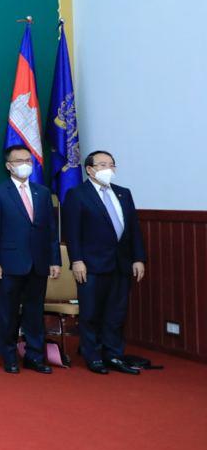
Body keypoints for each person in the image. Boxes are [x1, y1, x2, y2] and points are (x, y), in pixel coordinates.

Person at [62, 150, 146, 375]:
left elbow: (133, 230)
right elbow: (72, 232)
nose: (108, 168)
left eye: (111, 164)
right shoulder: (77, 194)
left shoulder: (123, 193)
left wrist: (138, 258)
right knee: (91, 313)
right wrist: (76, 260)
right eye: (102, 164)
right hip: (90, 264)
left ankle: (113, 354)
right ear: (90, 170)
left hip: (121, 263)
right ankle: (93, 356)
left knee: (116, 313)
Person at [0, 145, 61, 374]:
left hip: (39, 262)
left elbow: (51, 230)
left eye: (28, 160)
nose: (26, 164)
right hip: (9, 263)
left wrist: (55, 260)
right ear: (9, 166)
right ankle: (9, 357)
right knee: (8, 313)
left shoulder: (42, 192)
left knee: (34, 312)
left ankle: (34, 356)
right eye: (19, 161)